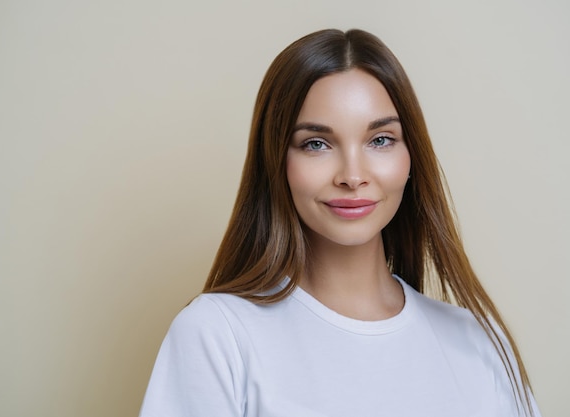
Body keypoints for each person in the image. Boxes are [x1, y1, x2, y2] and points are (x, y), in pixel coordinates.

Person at [139, 28, 541, 417]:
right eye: (317, 143)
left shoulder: (480, 342)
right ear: (278, 162)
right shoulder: (217, 335)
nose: (352, 175)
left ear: (410, 157)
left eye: (380, 140)